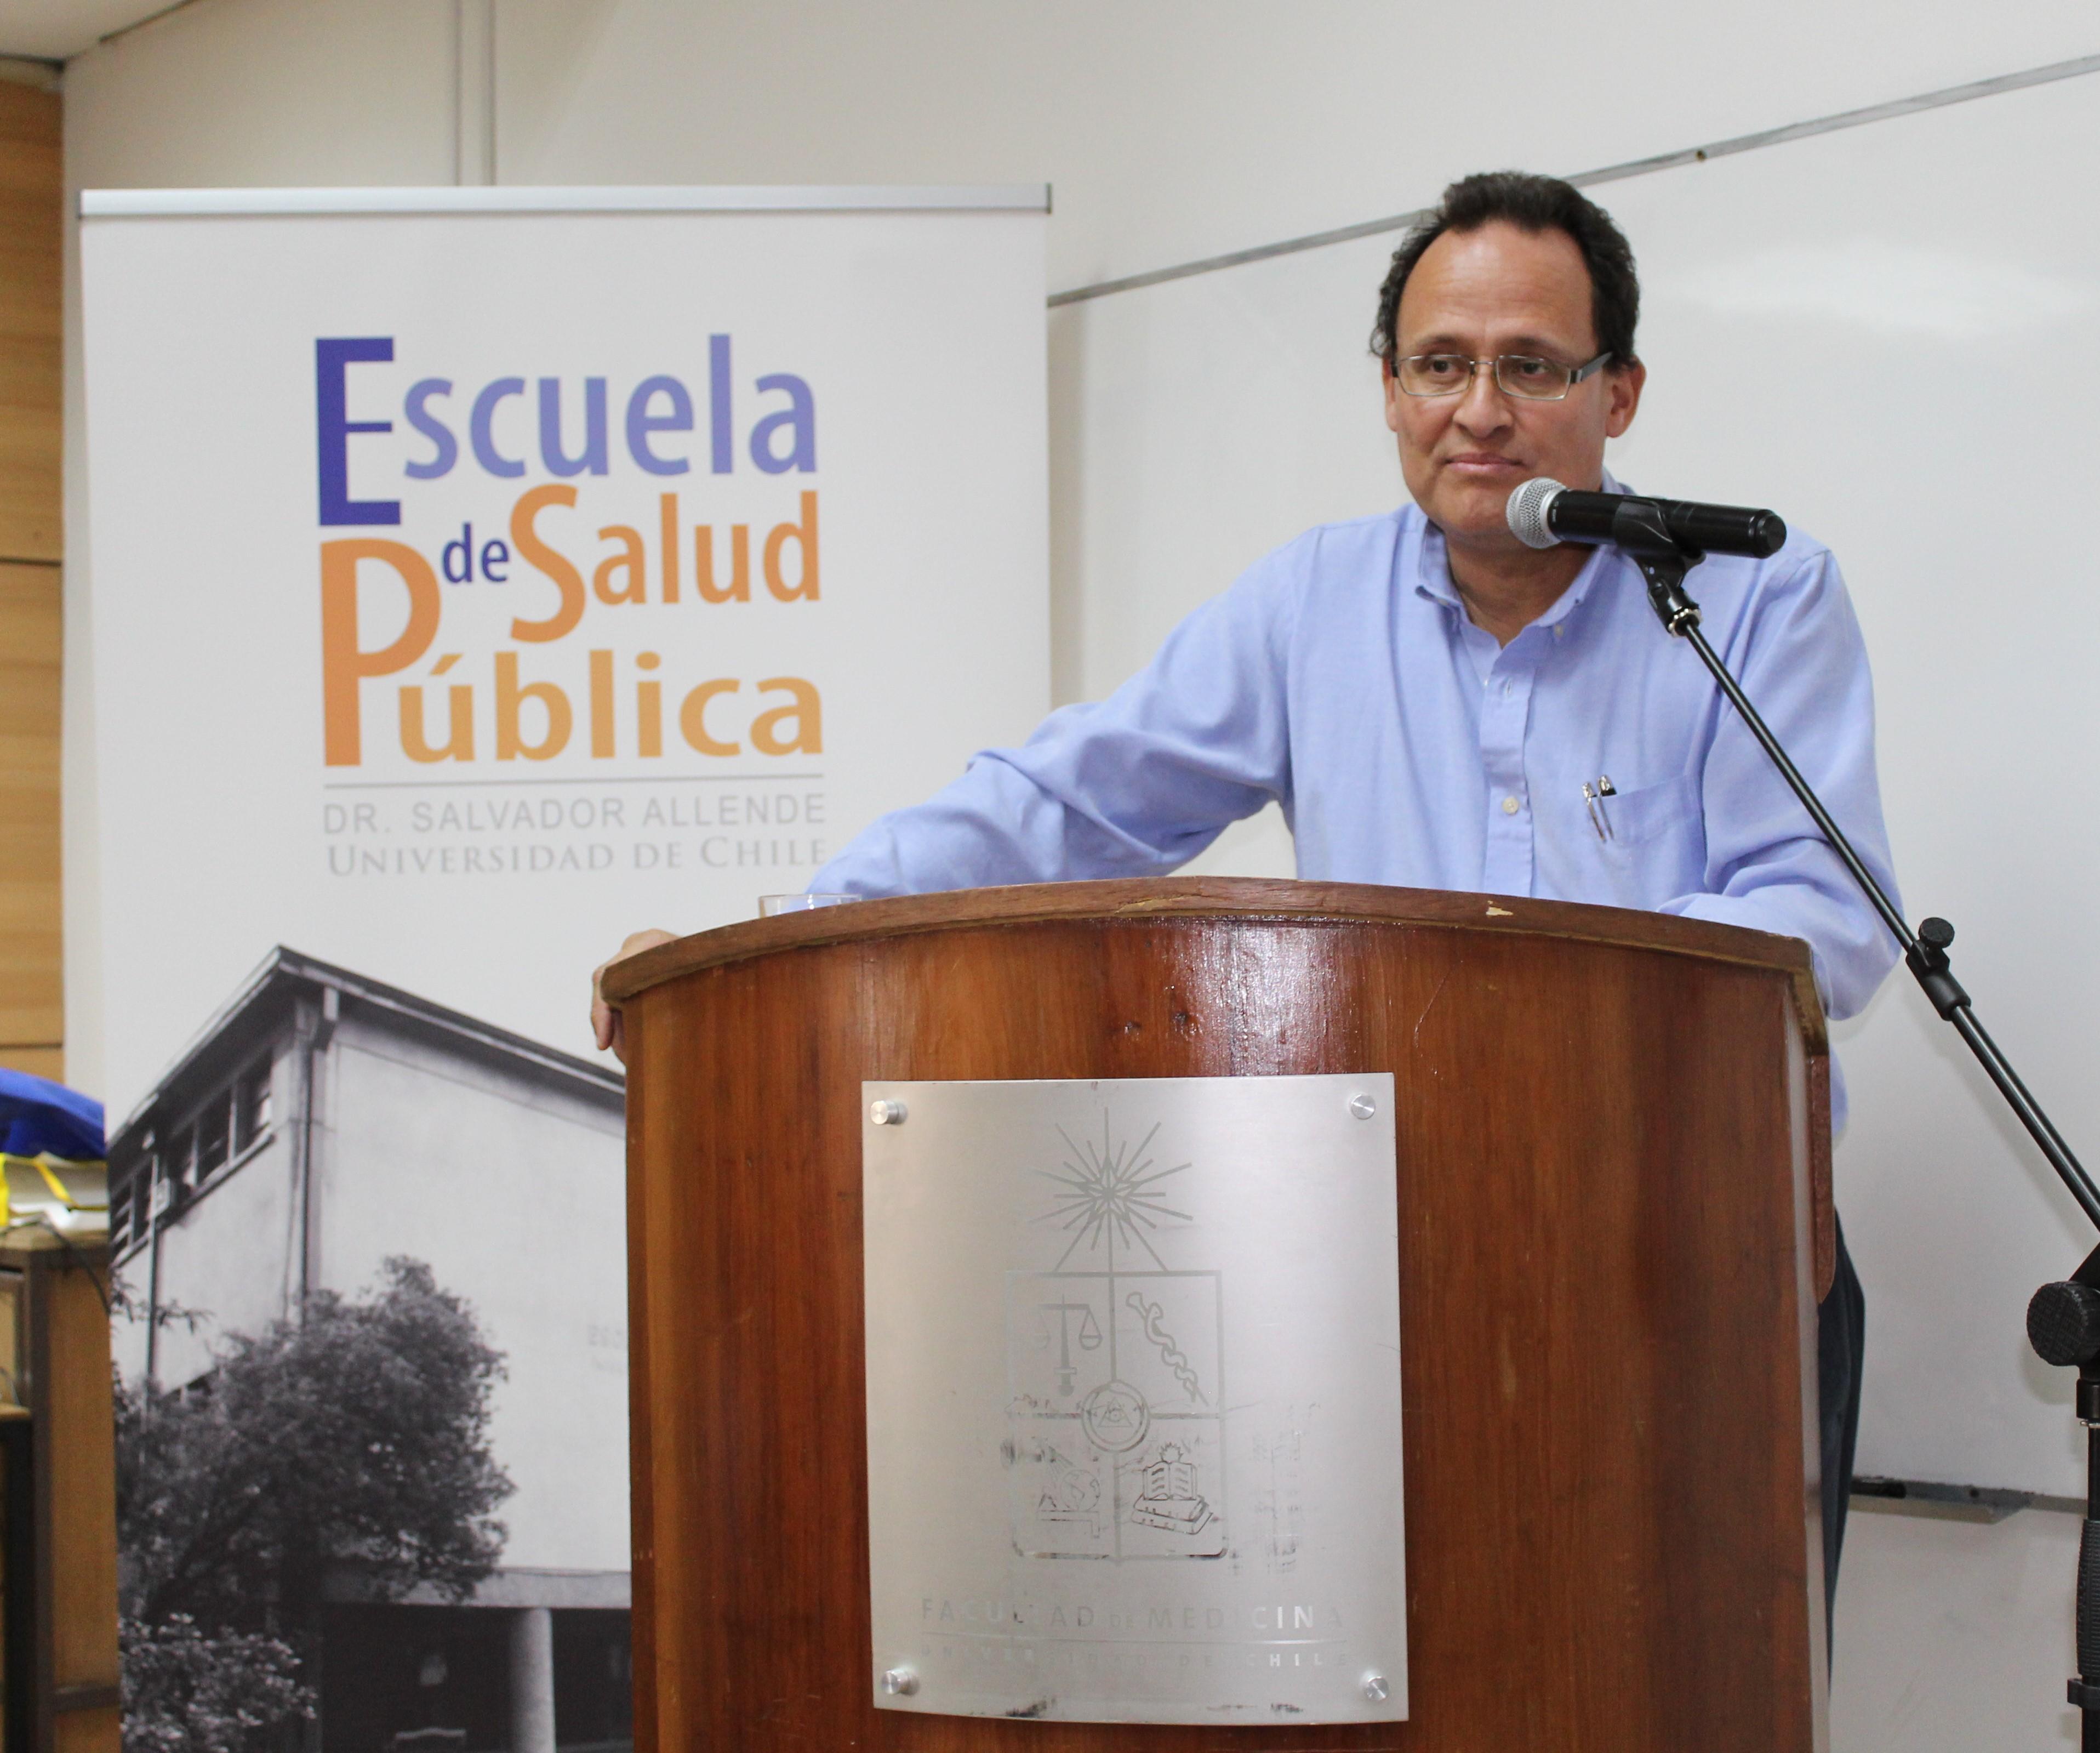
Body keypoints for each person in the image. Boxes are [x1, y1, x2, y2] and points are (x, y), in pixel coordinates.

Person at [592, 170, 1899, 1621]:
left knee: (1695, 1671)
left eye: (1531, 366)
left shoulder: (1752, 599)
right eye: (1439, 365)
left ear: (1619, 393)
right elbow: (1062, 803)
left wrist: (1547, 996)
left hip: (1698, 1265)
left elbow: (1823, 917)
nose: (1480, 410)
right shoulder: (1309, 608)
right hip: (1395, 1279)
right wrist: (770, 940)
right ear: (1391, 392)